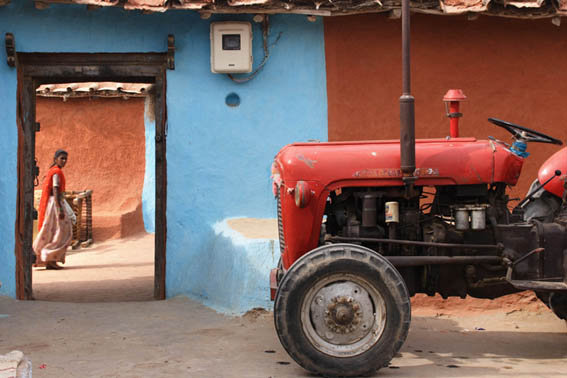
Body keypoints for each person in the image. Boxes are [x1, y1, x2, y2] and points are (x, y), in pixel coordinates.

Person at [33, 149, 73, 270]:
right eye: (62, 158)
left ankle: (49, 259)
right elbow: (55, 190)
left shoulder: (54, 171)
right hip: (54, 205)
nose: (64, 161)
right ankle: (49, 257)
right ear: (55, 159)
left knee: (52, 231)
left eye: (65, 159)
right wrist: (59, 208)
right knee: (61, 231)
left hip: (54, 204)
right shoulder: (56, 172)